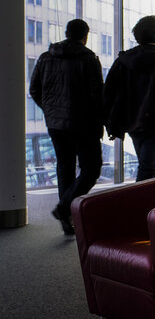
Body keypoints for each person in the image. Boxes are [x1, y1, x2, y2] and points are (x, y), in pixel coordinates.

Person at [29, 19, 104, 235]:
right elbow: (97, 94)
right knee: (91, 169)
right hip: (83, 123)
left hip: (56, 124)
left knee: (65, 168)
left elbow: (35, 90)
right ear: (85, 36)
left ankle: (66, 219)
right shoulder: (88, 59)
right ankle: (64, 209)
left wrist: (50, 111)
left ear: (66, 33)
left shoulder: (45, 57)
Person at [103, 15, 155, 181]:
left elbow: (109, 93)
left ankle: (151, 202)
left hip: (132, 123)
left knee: (147, 164)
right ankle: (140, 205)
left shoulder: (124, 61)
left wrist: (111, 123)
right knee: (147, 168)